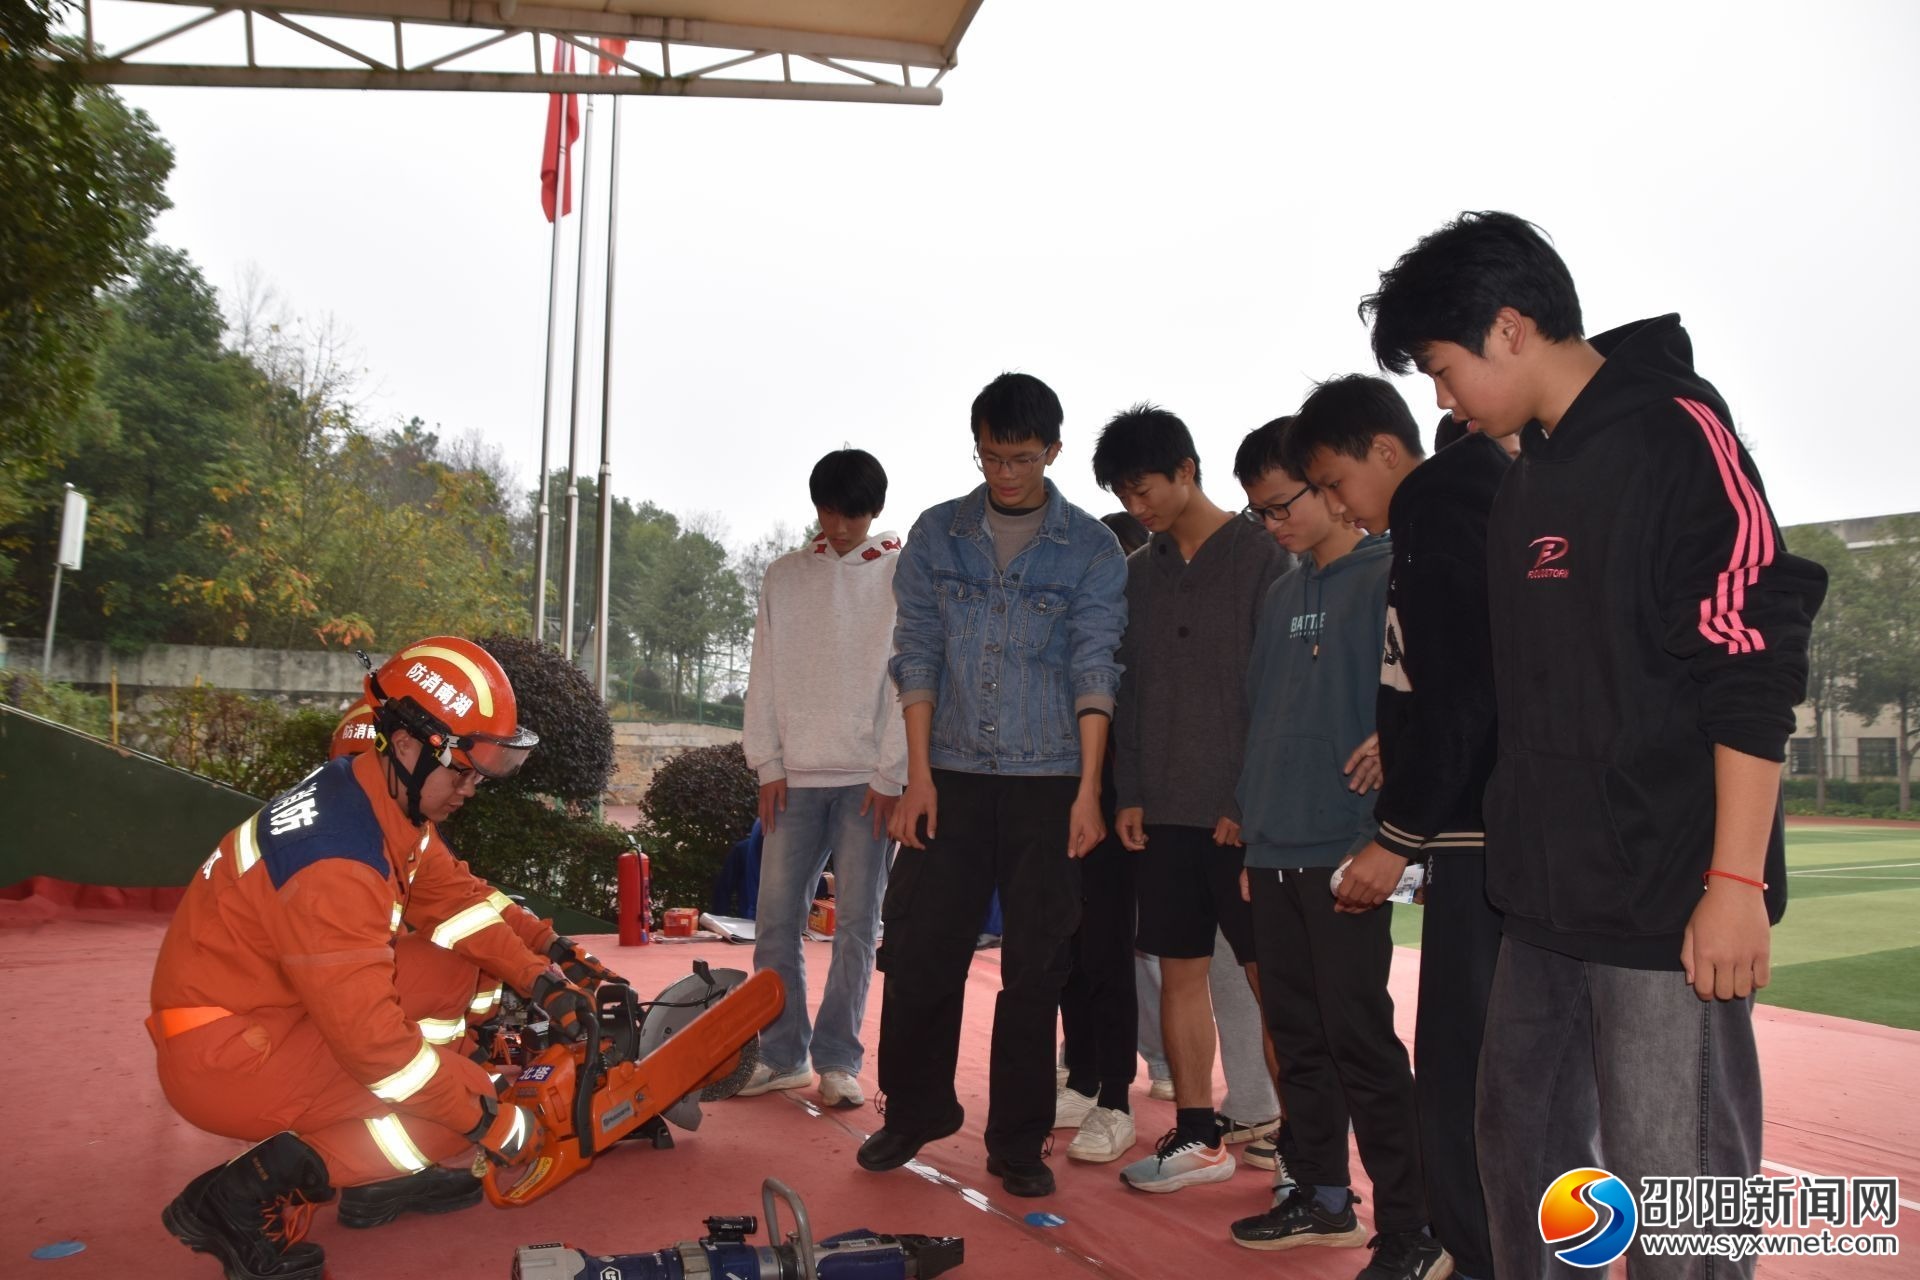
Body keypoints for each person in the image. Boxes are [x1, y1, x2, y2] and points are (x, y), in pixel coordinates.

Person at [1362, 210, 1826, 1277]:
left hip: (1664, 901)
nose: (1442, 399)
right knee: (1522, 1168)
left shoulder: (1675, 434)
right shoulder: (1526, 472)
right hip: (1541, 901)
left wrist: (1733, 882)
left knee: (1675, 1194)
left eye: (1442, 369)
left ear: (1509, 328)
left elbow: (1751, 657)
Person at [151, 637, 600, 1280]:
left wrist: (541, 978)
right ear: (409, 743)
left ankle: (381, 1170)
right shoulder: (337, 862)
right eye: (462, 771)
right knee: (452, 1113)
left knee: (448, 963)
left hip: (265, 1012)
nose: (471, 789)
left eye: (479, 775)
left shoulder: (370, 796)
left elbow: (458, 904)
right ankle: (238, 1197)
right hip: (230, 1057)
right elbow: (379, 1053)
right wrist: (493, 1123)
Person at [859, 371, 1126, 1199]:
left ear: (1053, 450)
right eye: (989, 457)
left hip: (1050, 780)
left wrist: (1088, 791)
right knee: (918, 949)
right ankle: (915, 1110)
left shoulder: (1092, 549)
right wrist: (918, 778)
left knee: (1037, 968)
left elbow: (1095, 667)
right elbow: (917, 655)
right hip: (950, 775)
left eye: (1021, 459)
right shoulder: (937, 534)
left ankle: (1016, 1141)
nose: (1004, 474)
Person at [1285, 375, 1509, 1280]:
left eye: (1336, 483)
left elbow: (1467, 688)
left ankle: (1481, 1253)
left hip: (1482, 837)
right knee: (1470, 1069)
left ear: (1385, 451)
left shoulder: (1445, 500)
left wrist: (1397, 834)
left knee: (1469, 1072)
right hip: (1471, 836)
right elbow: (1437, 684)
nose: (1338, 505)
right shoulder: (1439, 506)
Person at [1224, 417, 1446, 1280]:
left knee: (1361, 1040)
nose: (1273, 524)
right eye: (1260, 513)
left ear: (1325, 486)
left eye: (1283, 504)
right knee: (1297, 1034)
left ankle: (1413, 1227)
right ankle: (1320, 1195)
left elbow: (1431, 699)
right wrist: (1252, 829)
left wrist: (1383, 820)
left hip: (1349, 848)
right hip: (1273, 845)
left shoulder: (1390, 575)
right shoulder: (1281, 594)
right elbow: (1262, 719)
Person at [1090, 404, 1286, 1193]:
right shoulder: (1139, 573)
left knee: (1274, 985)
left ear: (1187, 470)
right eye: (1123, 495)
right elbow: (1130, 694)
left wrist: (1251, 796)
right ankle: (1199, 1135)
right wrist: (1131, 792)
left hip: (1245, 815)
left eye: (1144, 490)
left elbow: (1280, 693)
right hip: (1164, 809)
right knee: (1179, 972)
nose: (1136, 507)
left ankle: (1307, 1155)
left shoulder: (1264, 556)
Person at [738, 448, 907, 1110]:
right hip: (795, 776)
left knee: (858, 925)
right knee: (775, 921)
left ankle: (839, 1059)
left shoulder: (901, 575)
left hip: (869, 778)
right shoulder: (785, 576)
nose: (837, 526)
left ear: (874, 510)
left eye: (850, 515)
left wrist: (892, 771)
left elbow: (909, 679)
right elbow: (764, 669)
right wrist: (767, 762)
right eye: (828, 512)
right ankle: (782, 1054)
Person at [1050, 511, 1149, 1165]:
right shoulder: (1076, 623)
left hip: (1119, 802)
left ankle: (1116, 1096)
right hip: (1065, 795)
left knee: (1109, 952)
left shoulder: (1138, 632)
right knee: (1069, 948)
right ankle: (1082, 1078)